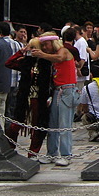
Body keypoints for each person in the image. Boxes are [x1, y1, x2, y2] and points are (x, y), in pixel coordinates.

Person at [30, 32, 77, 166]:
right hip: (58, 91)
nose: (44, 47)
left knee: (64, 124)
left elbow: (60, 58)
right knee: (53, 124)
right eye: (43, 45)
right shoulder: (53, 55)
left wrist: (42, 55)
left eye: (46, 44)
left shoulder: (64, 50)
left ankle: (66, 155)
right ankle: (52, 153)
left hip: (67, 90)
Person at [5, 36, 52, 161]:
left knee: (37, 126)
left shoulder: (47, 63)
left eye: (32, 47)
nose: (31, 50)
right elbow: (8, 63)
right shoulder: (25, 61)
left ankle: (33, 153)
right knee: (16, 124)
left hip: (39, 98)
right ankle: (9, 147)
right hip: (25, 97)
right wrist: (21, 51)